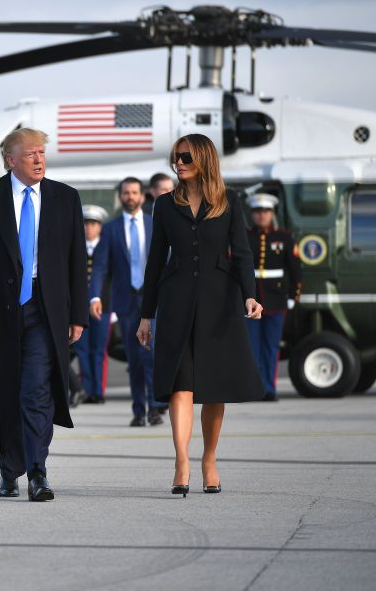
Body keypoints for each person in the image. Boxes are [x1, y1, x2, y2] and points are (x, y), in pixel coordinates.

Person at [0, 127, 87, 502]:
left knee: (37, 390)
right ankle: (9, 469)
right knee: (4, 393)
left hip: (45, 307)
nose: (40, 160)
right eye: (31, 155)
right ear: (11, 160)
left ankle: (38, 472)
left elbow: (77, 260)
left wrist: (78, 314)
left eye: (42, 153)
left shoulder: (65, 198)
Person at [136, 133, 264, 497]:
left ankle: (209, 459)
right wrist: (147, 316)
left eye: (187, 157)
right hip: (176, 302)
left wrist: (250, 297)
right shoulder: (163, 205)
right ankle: (181, 461)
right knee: (181, 383)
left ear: (204, 159)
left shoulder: (229, 201)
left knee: (213, 387)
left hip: (219, 302)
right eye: (176, 156)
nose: (179, 162)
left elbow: (241, 253)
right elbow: (155, 261)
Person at [89, 178, 164, 427]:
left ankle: (155, 407)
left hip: (152, 298)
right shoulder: (110, 229)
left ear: (142, 197)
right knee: (134, 358)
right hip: (126, 301)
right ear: (120, 197)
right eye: (126, 193)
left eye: (134, 193)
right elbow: (100, 266)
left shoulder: (156, 225)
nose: (130, 197)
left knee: (151, 355)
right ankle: (138, 410)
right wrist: (96, 296)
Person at [245, 193, 302, 401]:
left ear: (272, 214)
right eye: (258, 212)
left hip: (276, 300)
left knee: (271, 347)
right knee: (252, 347)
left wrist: (293, 296)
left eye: (266, 212)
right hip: (250, 301)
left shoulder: (284, 238)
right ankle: (255, 388)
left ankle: (269, 389)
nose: (262, 216)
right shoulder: (244, 236)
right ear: (252, 214)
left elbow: (295, 269)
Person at [74, 204, 111, 404]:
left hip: (103, 308)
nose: (89, 228)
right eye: (86, 224)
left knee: (99, 350)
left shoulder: (107, 247)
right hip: (80, 308)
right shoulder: (76, 247)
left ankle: (99, 390)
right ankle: (87, 390)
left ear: (100, 227)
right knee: (82, 349)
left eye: (94, 224)